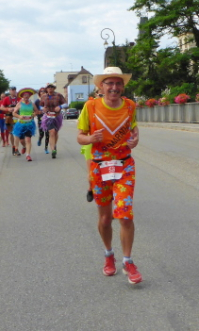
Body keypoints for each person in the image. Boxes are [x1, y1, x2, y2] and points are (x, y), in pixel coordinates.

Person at [77, 67, 141, 284]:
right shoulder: (90, 107)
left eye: (118, 83)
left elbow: (134, 130)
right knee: (105, 218)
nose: (114, 87)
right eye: (109, 83)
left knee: (125, 214)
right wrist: (90, 139)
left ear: (123, 86)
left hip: (124, 166)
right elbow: (80, 136)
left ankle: (128, 261)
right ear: (101, 87)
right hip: (100, 167)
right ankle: (108, 255)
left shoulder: (130, 106)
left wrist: (135, 140)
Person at [11, 88, 40, 161]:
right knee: (21, 141)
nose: (26, 96)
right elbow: (14, 113)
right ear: (22, 96)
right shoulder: (19, 104)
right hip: (21, 124)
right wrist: (19, 116)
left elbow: (37, 111)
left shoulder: (32, 104)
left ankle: (28, 155)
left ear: (29, 96)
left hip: (29, 124)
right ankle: (24, 147)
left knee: (28, 139)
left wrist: (34, 114)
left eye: (27, 95)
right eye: (25, 95)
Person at [40, 82, 66, 159]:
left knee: (55, 132)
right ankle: (53, 150)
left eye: (52, 87)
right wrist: (42, 108)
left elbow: (66, 104)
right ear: (46, 89)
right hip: (48, 116)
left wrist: (60, 107)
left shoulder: (58, 95)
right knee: (52, 131)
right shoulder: (43, 96)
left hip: (57, 116)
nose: (50, 89)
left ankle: (54, 145)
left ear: (54, 88)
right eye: (49, 87)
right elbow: (40, 106)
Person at [0, 87, 21, 156]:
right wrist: (8, 109)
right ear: (9, 91)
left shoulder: (19, 98)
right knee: (11, 133)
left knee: (17, 133)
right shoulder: (6, 99)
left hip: (18, 117)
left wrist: (17, 108)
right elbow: (1, 107)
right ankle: (14, 147)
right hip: (9, 118)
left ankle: (17, 148)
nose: (14, 91)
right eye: (12, 90)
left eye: (15, 90)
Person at [35, 87, 50, 153]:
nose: (43, 93)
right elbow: (34, 110)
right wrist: (38, 112)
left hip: (48, 118)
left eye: (44, 91)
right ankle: (40, 139)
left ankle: (46, 148)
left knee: (47, 134)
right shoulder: (37, 101)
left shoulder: (48, 100)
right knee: (42, 134)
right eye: (41, 91)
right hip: (40, 119)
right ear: (39, 93)